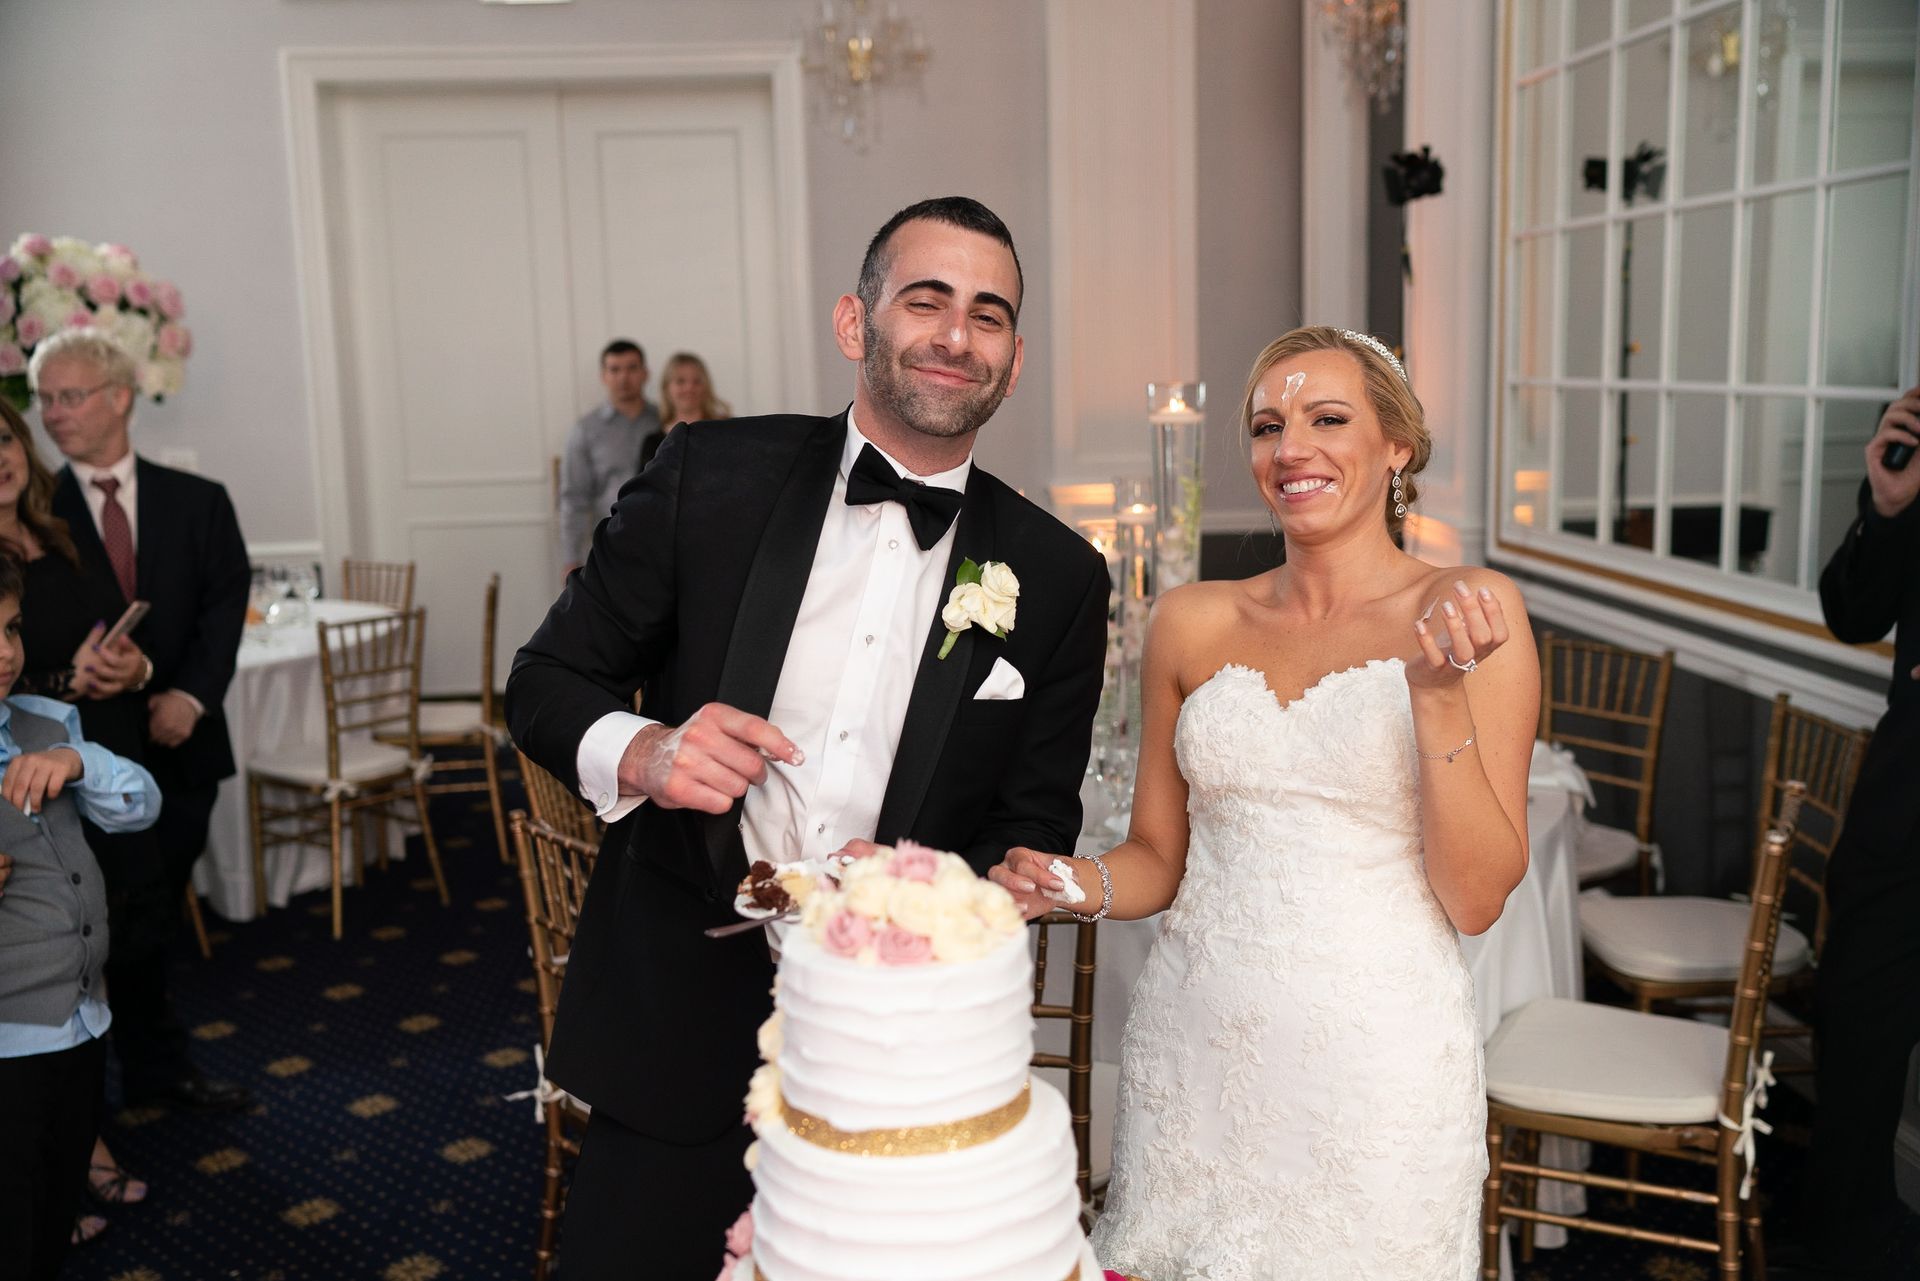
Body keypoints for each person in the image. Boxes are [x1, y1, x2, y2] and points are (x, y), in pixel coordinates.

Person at [506, 196, 1109, 1278]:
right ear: (855, 323)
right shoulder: (709, 476)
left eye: (989, 314)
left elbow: (1031, 817)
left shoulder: (1060, 576)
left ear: (1013, 359)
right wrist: (645, 752)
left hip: (895, 1052)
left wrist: (972, 890)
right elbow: (546, 678)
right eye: (927, 300)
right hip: (679, 1003)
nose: (956, 334)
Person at [995, 326, 1538, 1278]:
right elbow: (1159, 857)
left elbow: (1478, 898)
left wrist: (1438, 693)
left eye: (1329, 418)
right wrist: (1066, 881)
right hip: (1195, 1056)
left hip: (1375, 1070)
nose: (1292, 448)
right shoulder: (1192, 619)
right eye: (1268, 425)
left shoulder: (1468, 610)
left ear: (1396, 446)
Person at [28, 329, 253, 1114]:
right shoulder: (31, 512)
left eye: (69, 395)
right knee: (98, 922)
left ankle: (157, 1071)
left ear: (120, 396)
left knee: (154, 917)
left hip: (182, 747)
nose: (52, 414)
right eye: (44, 398)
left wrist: (181, 692)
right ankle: (85, 1097)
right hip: (75, 761)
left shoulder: (200, 500)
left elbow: (226, 607)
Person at [0, 394, 159, 1237]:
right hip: (39, 741)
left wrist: (123, 673)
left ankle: (75, 1148)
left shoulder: (57, 527)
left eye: (4, 438)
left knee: (91, 920)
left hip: (73, 743)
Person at [1779, 385, 1920, 1281]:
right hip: (1902, 817)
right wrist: (1888, 505)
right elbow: (1853, 612)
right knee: (1858, 1029)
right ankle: (1849, 1236)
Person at [559, 339, 661, 574]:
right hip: (608, 544)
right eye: (615, 369)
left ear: (645, 374)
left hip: (659, 541)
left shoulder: (663, 420)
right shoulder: (586, 429)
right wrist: (570, 558)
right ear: (603, 376)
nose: (623, 378)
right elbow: (573, 497)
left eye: (631, 368)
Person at [651, 350, 733, 460]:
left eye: (697, 381)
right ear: (666, 388)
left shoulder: (727, 430)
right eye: (680, 381)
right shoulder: (652, 443)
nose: (689, 388)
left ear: (706, 386)